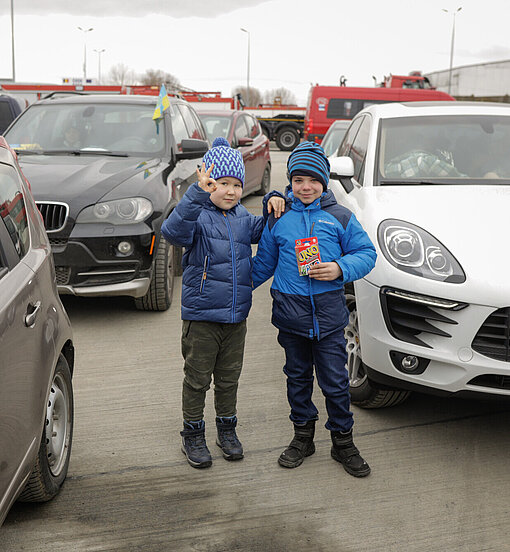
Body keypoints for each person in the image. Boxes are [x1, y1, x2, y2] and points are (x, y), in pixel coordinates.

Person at [252, 141, 377, 477]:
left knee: (336, 383)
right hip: (290, 317)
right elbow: (263, 264)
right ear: (289, 183)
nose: (305, 187)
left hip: (329, 317)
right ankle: (302, 437)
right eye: (297, 181)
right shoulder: (280, 218)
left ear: (324, 182)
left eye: (312, 181)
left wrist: (339, 268)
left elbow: (367, 254)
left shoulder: (339, 216)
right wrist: (231, 292)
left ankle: (343, 442)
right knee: (297, 378)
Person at [161, 137, 284, 469]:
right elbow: (172, 231)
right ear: (209, 183)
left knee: (229, 379)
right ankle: (193, 433)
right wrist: (196, 193)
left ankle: (226, 431)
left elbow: (267, 227)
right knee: (197, 379)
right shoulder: (197, 216)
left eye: (235, 184)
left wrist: (273, 200)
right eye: (221, 184)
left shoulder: (244, 216)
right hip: (202, 318)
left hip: (236, 320)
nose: (229, 191)